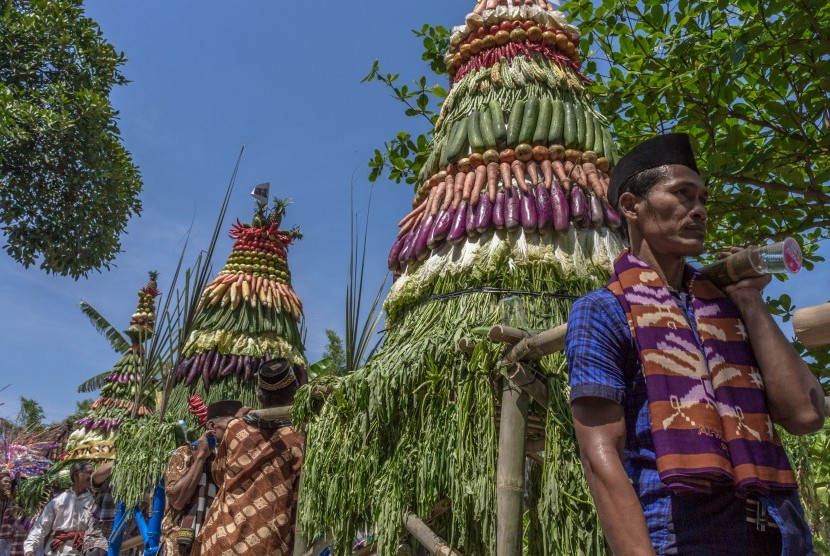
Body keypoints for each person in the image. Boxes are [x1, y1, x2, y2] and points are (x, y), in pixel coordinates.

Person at [565, 133, 826, 555]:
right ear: (632, 206)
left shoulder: (726, 309)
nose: (699, 210)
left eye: (704, 199)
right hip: (684, 536)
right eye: (683, 195)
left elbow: (805, 414)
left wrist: (750, 300)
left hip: (779, 534)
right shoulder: (604, 311)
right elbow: (600, 457)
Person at [195, 358, 305, 555]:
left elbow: (219, 475)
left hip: (221, 540)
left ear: (260, 396)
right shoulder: (299, 438)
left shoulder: (236, 429)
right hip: (268, 545)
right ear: (295, 395)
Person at [159, 400, 243, 556]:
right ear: (211, 427)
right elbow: (177, 501)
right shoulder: (185, 453)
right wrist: (200, 458)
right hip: (184, 547)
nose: (238, 431)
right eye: (232, 426)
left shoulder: (234, 459)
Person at [23, 461, 103, 556]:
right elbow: (40, 527)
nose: (92, 476)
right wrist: (29, 549)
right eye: (89, 472)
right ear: (77, 476)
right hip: (56, 552)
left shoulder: (94, 501)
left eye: (93, 473)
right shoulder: (58, 501)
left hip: (81, 551)